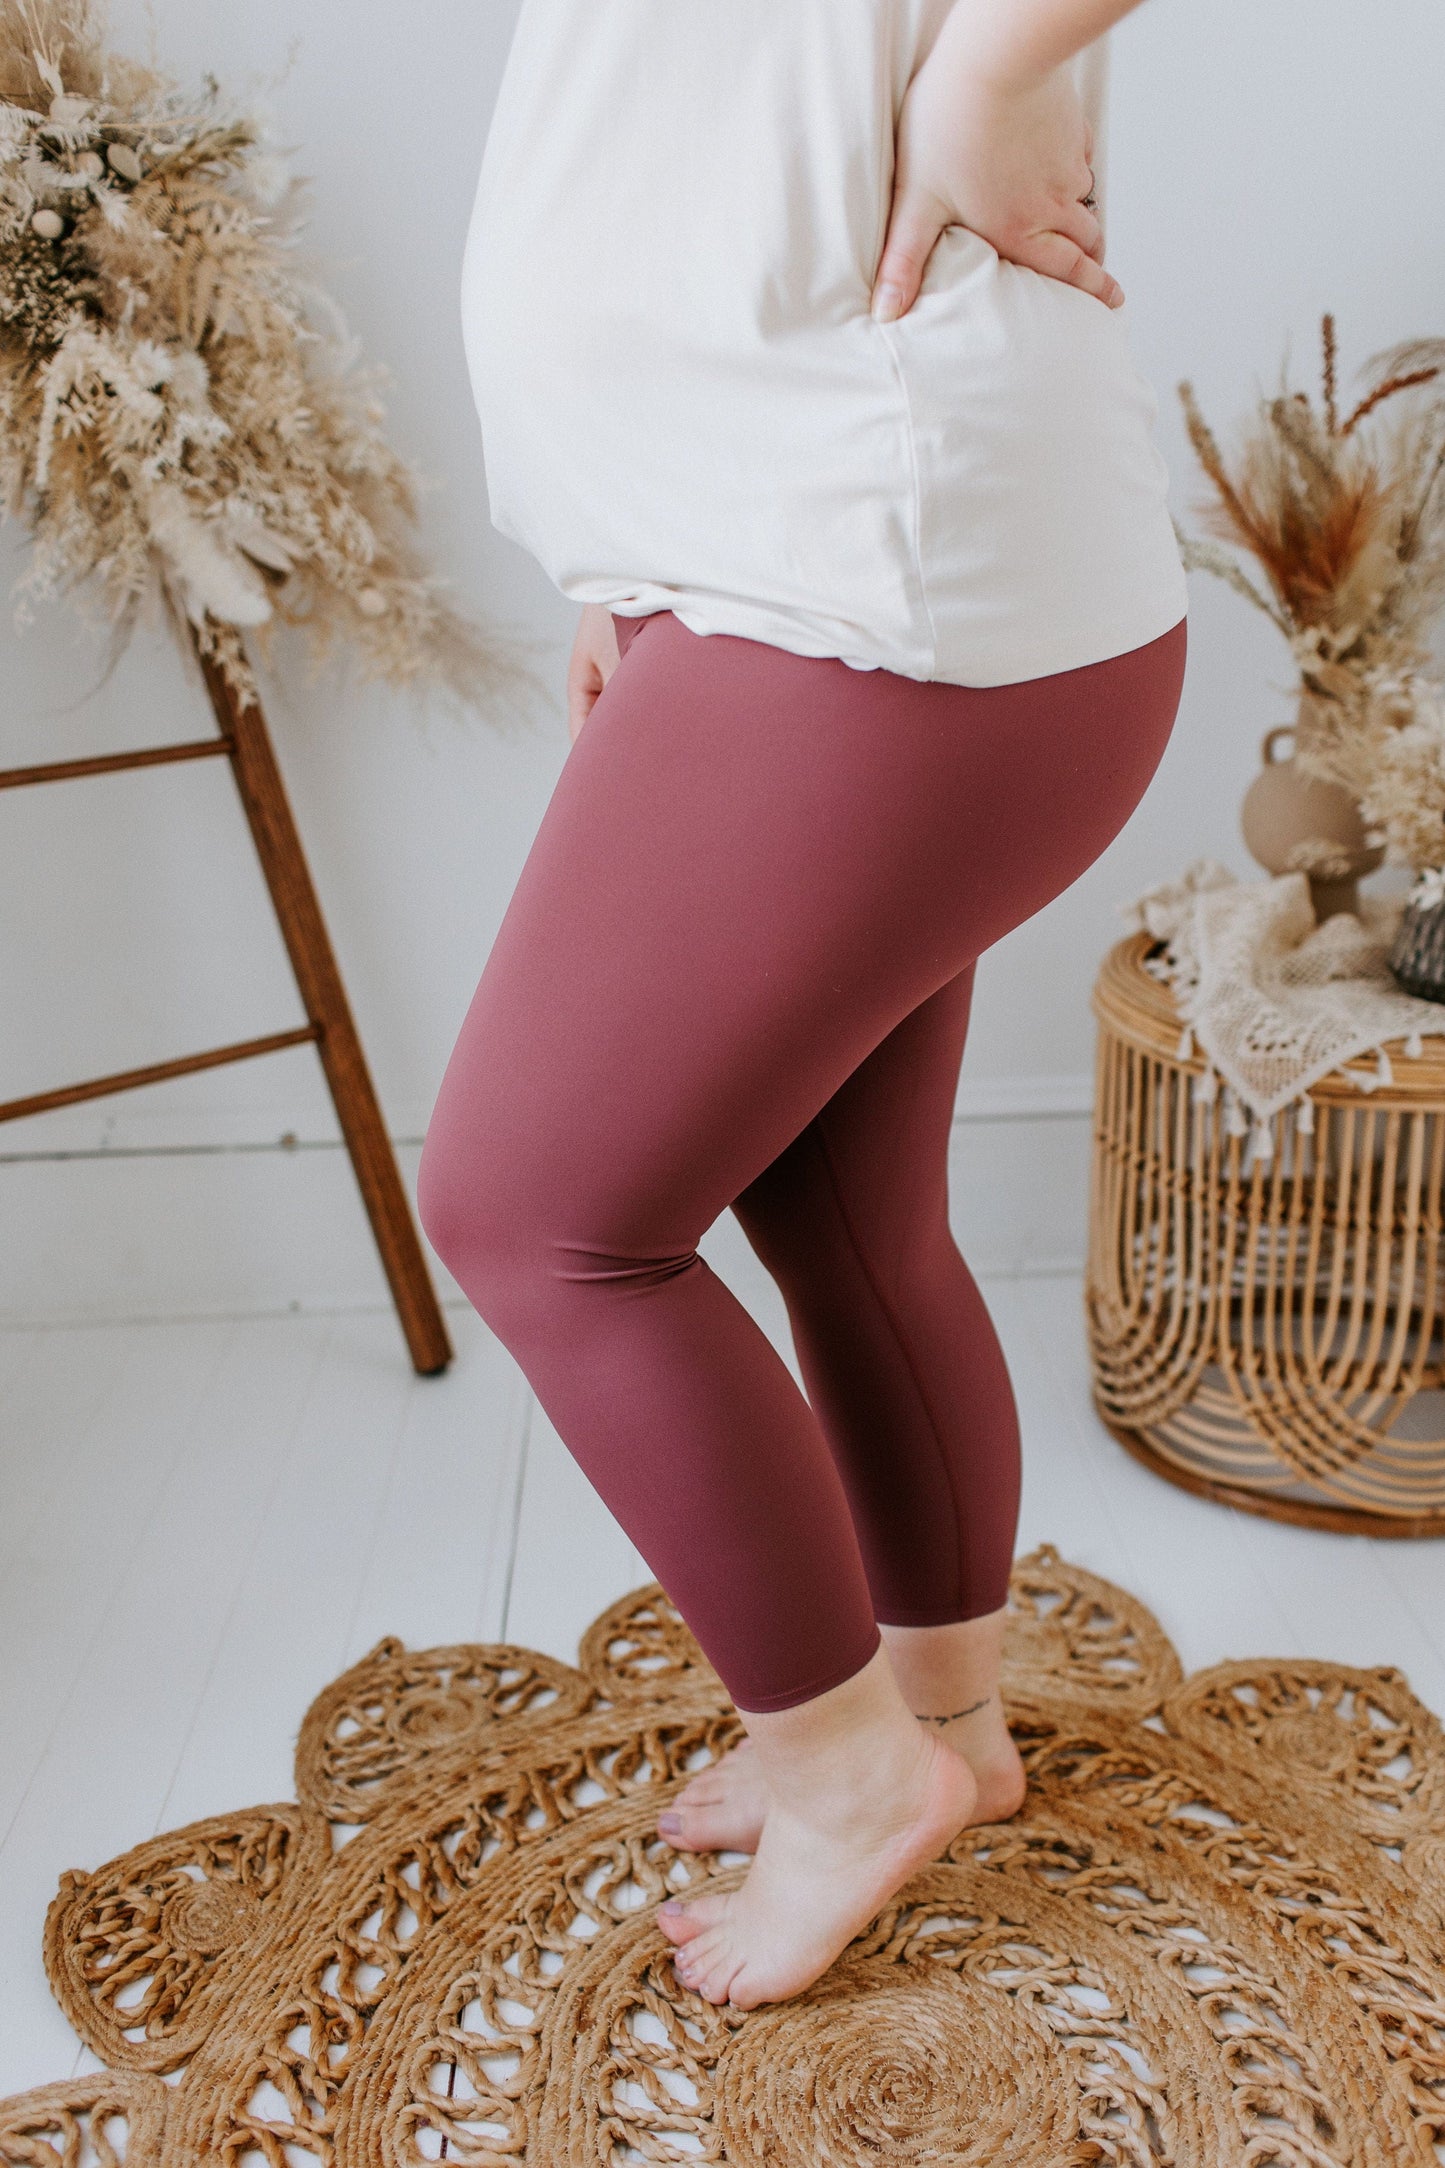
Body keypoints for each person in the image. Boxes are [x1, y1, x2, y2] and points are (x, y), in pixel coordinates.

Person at [418, 0, 1186, 2013]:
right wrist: (622, 536)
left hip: (870, 563)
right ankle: (947, 1714)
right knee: (837, 1208)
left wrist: (973, 80)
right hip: (793, 536)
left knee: (541, 1217)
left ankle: (849, 1775)